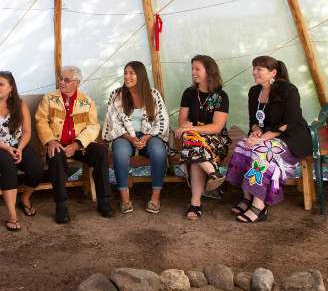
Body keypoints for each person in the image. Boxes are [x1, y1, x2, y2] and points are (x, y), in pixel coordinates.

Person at [225, 56, 312, 223]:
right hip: (266, 135)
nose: (254, 72)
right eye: (254, 68)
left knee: (263, 151)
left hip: (292, 138)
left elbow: (290, 122)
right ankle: (248, 197)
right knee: (242, 146)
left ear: (273, 72)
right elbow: (253, 121)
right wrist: (256, 133)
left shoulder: (288, 90)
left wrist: (262, 139)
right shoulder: (254, 91)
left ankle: (259, 206)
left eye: (259, 69)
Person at [36, 65, 115, 223]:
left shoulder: (87, 102)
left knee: (100, 150)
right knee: (56, 154)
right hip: (57, 144)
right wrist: (51, 141)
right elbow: (41, 121)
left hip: (79, 146)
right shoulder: (49, 98)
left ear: (77, 82)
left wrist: (77, 144)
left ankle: (103, 200)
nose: (62, 82)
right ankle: (61, 205)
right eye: (60, 79)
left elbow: (93, 127)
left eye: (66, 80)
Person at [103, 61, 173, 214]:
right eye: (126, 73)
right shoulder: (116, 95)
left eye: (131, 73)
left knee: (159, 151)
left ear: (140, 75)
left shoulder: (153, 95)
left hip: (149, 135)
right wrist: (131, 138)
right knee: (120, 151)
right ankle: (124, 198)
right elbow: (112, 123)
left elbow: (162, 120)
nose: (127, 77)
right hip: (124, 136)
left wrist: (146, 138)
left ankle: (155, 198)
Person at [0, 71, 44, 231]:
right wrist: (7, 148)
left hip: (17, 145)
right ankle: (12, 215)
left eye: (1, 84)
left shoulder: (21, 105)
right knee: (9, 167)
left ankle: (25, 199)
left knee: (36, 168)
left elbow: (27, 131)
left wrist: (19, 148)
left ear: (11, 87)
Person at [175, 54, 231, 219]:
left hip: (216, 140)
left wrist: (190, 129)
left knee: (192, 145)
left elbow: (217, 127)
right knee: (194, 147)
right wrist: (186, 126)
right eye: (192, 69)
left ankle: (195, 203)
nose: (193, 72)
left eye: (197, 69)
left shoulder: (221, 96)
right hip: (194, 140)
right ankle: (213, 174)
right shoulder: (189, 93)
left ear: (209, 71)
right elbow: (182, 119)